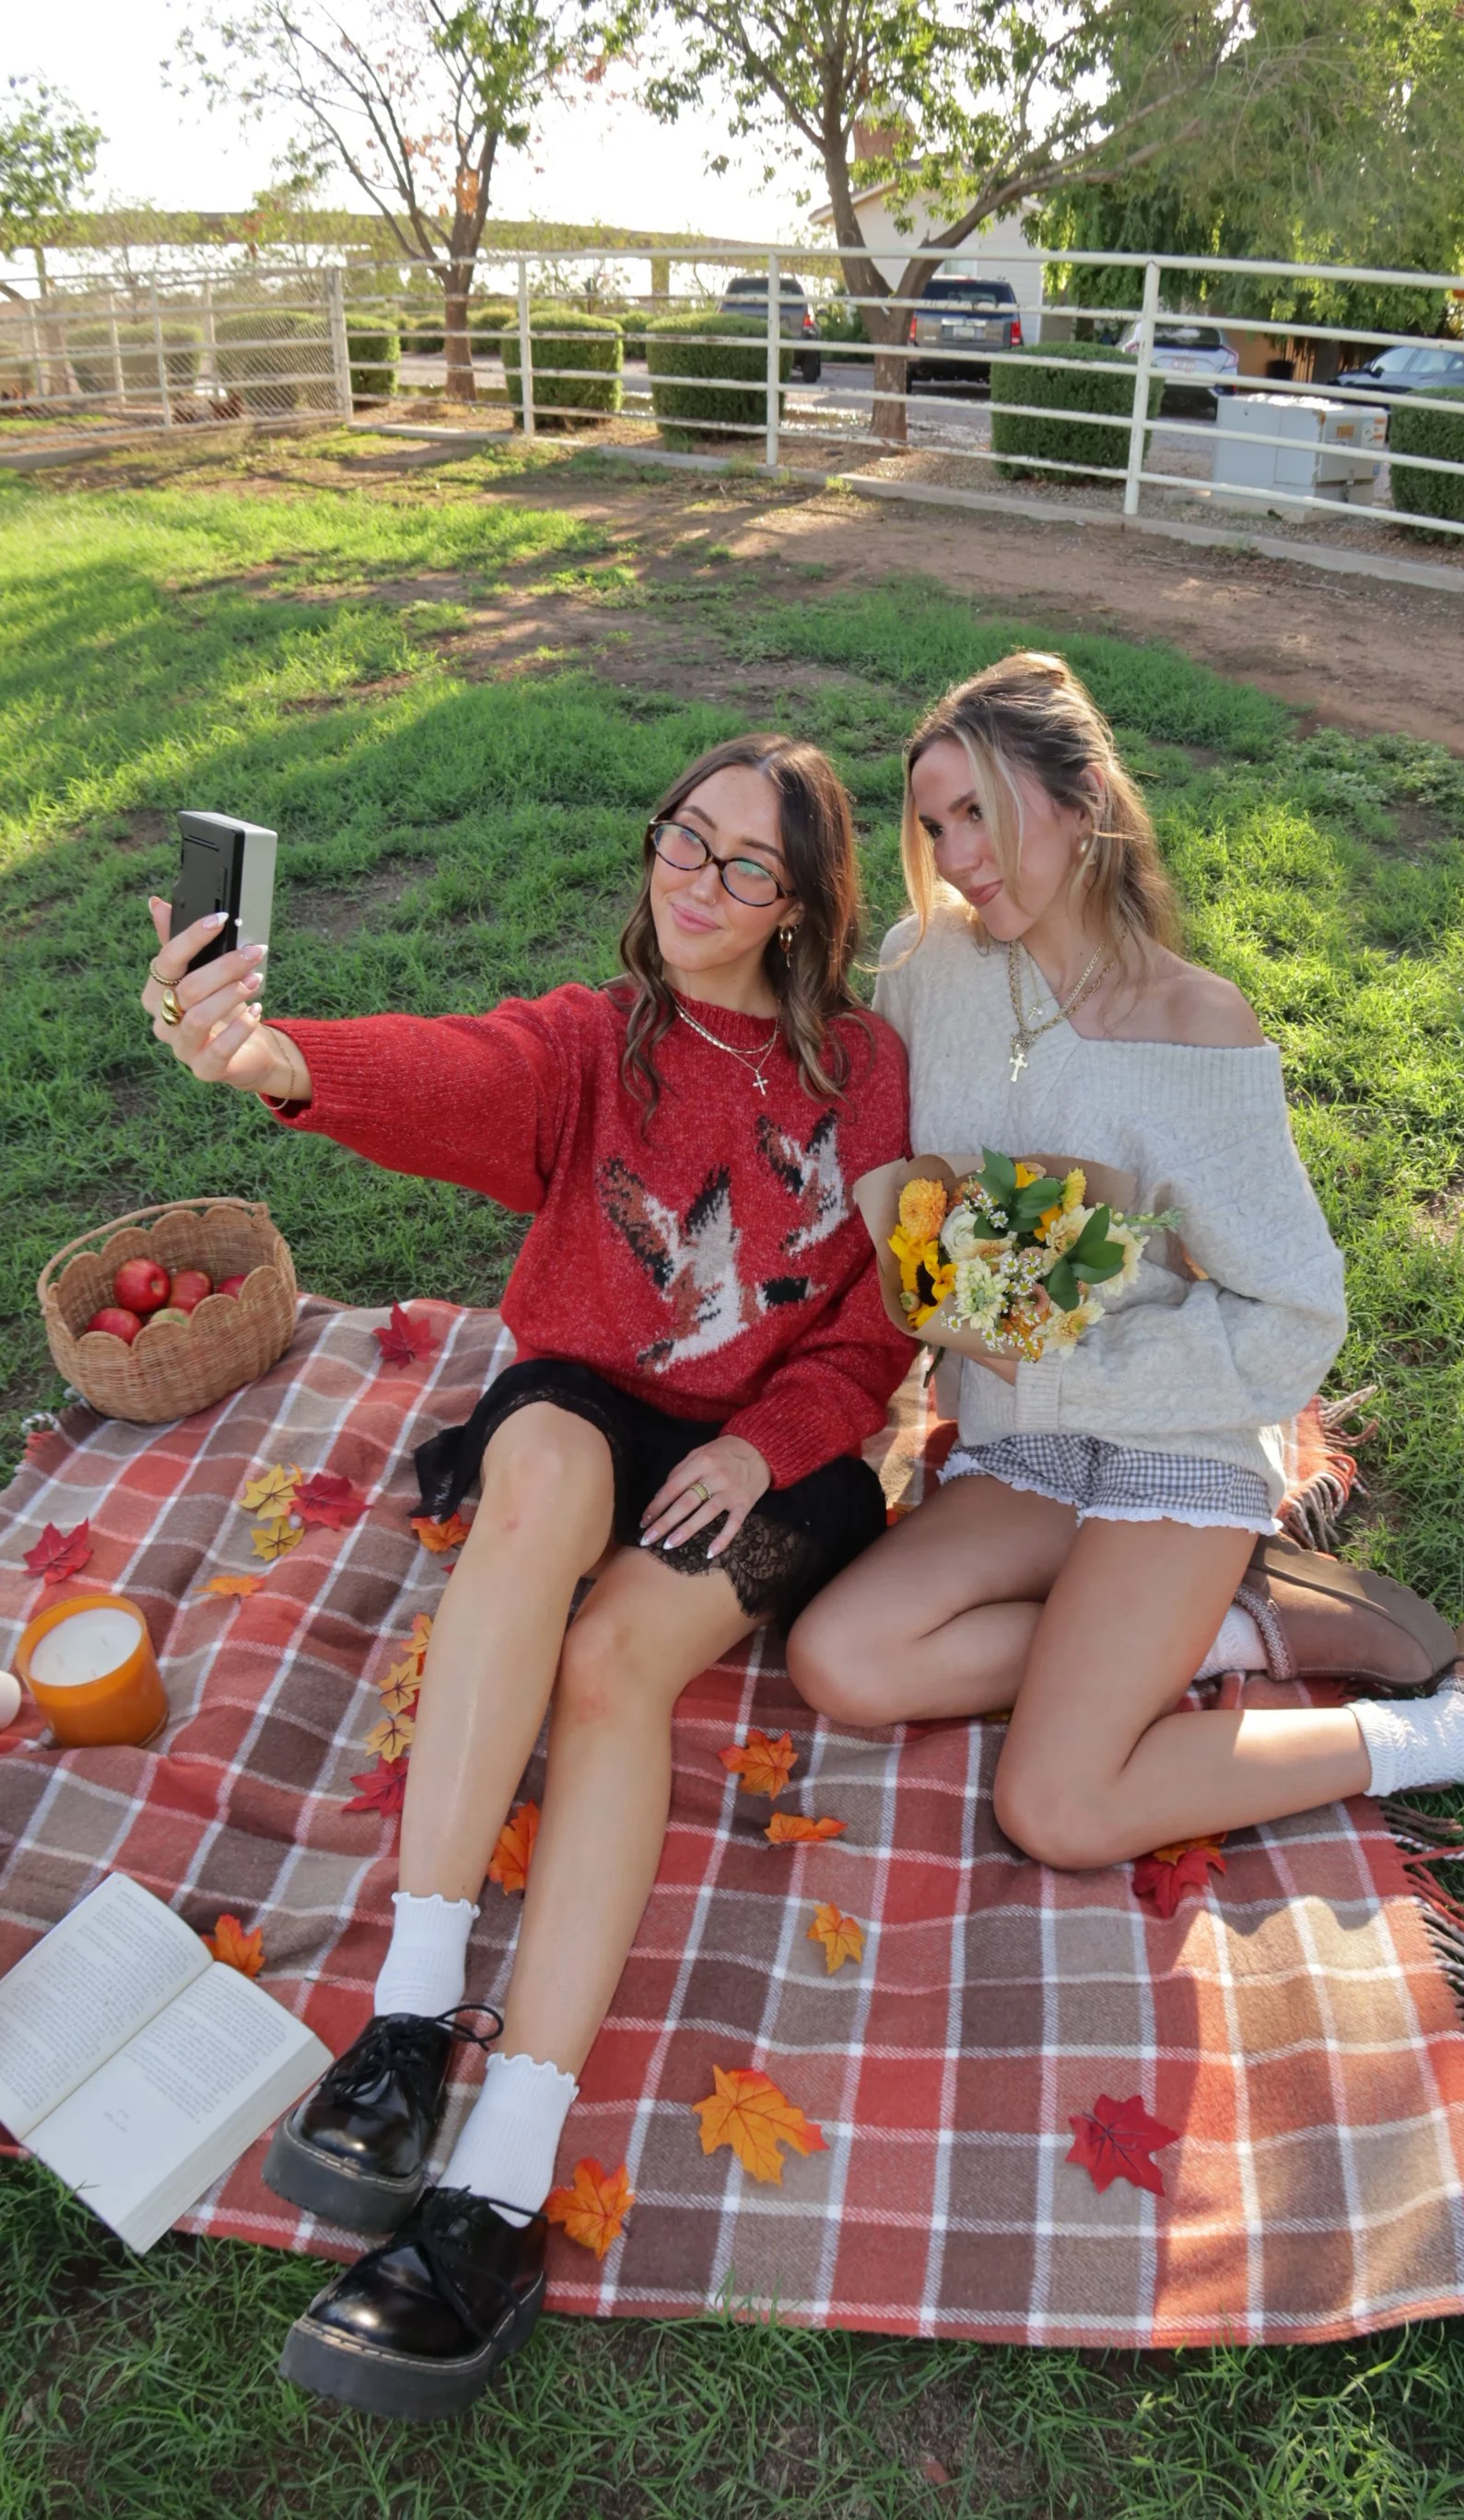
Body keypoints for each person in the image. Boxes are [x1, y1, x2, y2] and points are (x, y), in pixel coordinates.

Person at [140, 733, 912, 2421]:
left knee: (613, 1670)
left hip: (781, 1454)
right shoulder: (597, 1039)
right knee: (540, 1460)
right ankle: (412, 2027)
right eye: (679, 840)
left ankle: (501, 2180)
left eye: (742, 869)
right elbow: (444, 1073)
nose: (690, 885)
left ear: (803, 914)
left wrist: (768, 1446)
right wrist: (267, 1054)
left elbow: (877, 1339)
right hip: (594, 1403)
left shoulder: (870, 1077)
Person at [788, 652, 1464, 1866]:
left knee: (1059, 1806)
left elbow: (1294, 1316)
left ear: (1084, 801)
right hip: (1019, 1439)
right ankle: (1236, 1622)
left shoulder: (1198, 1027)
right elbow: (881, 1170)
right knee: (839, 1658)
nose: (953, 855)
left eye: (980, 816)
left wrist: (1090, 1356)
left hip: (1175, 1439)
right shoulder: (924, 967)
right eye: (935, 823)